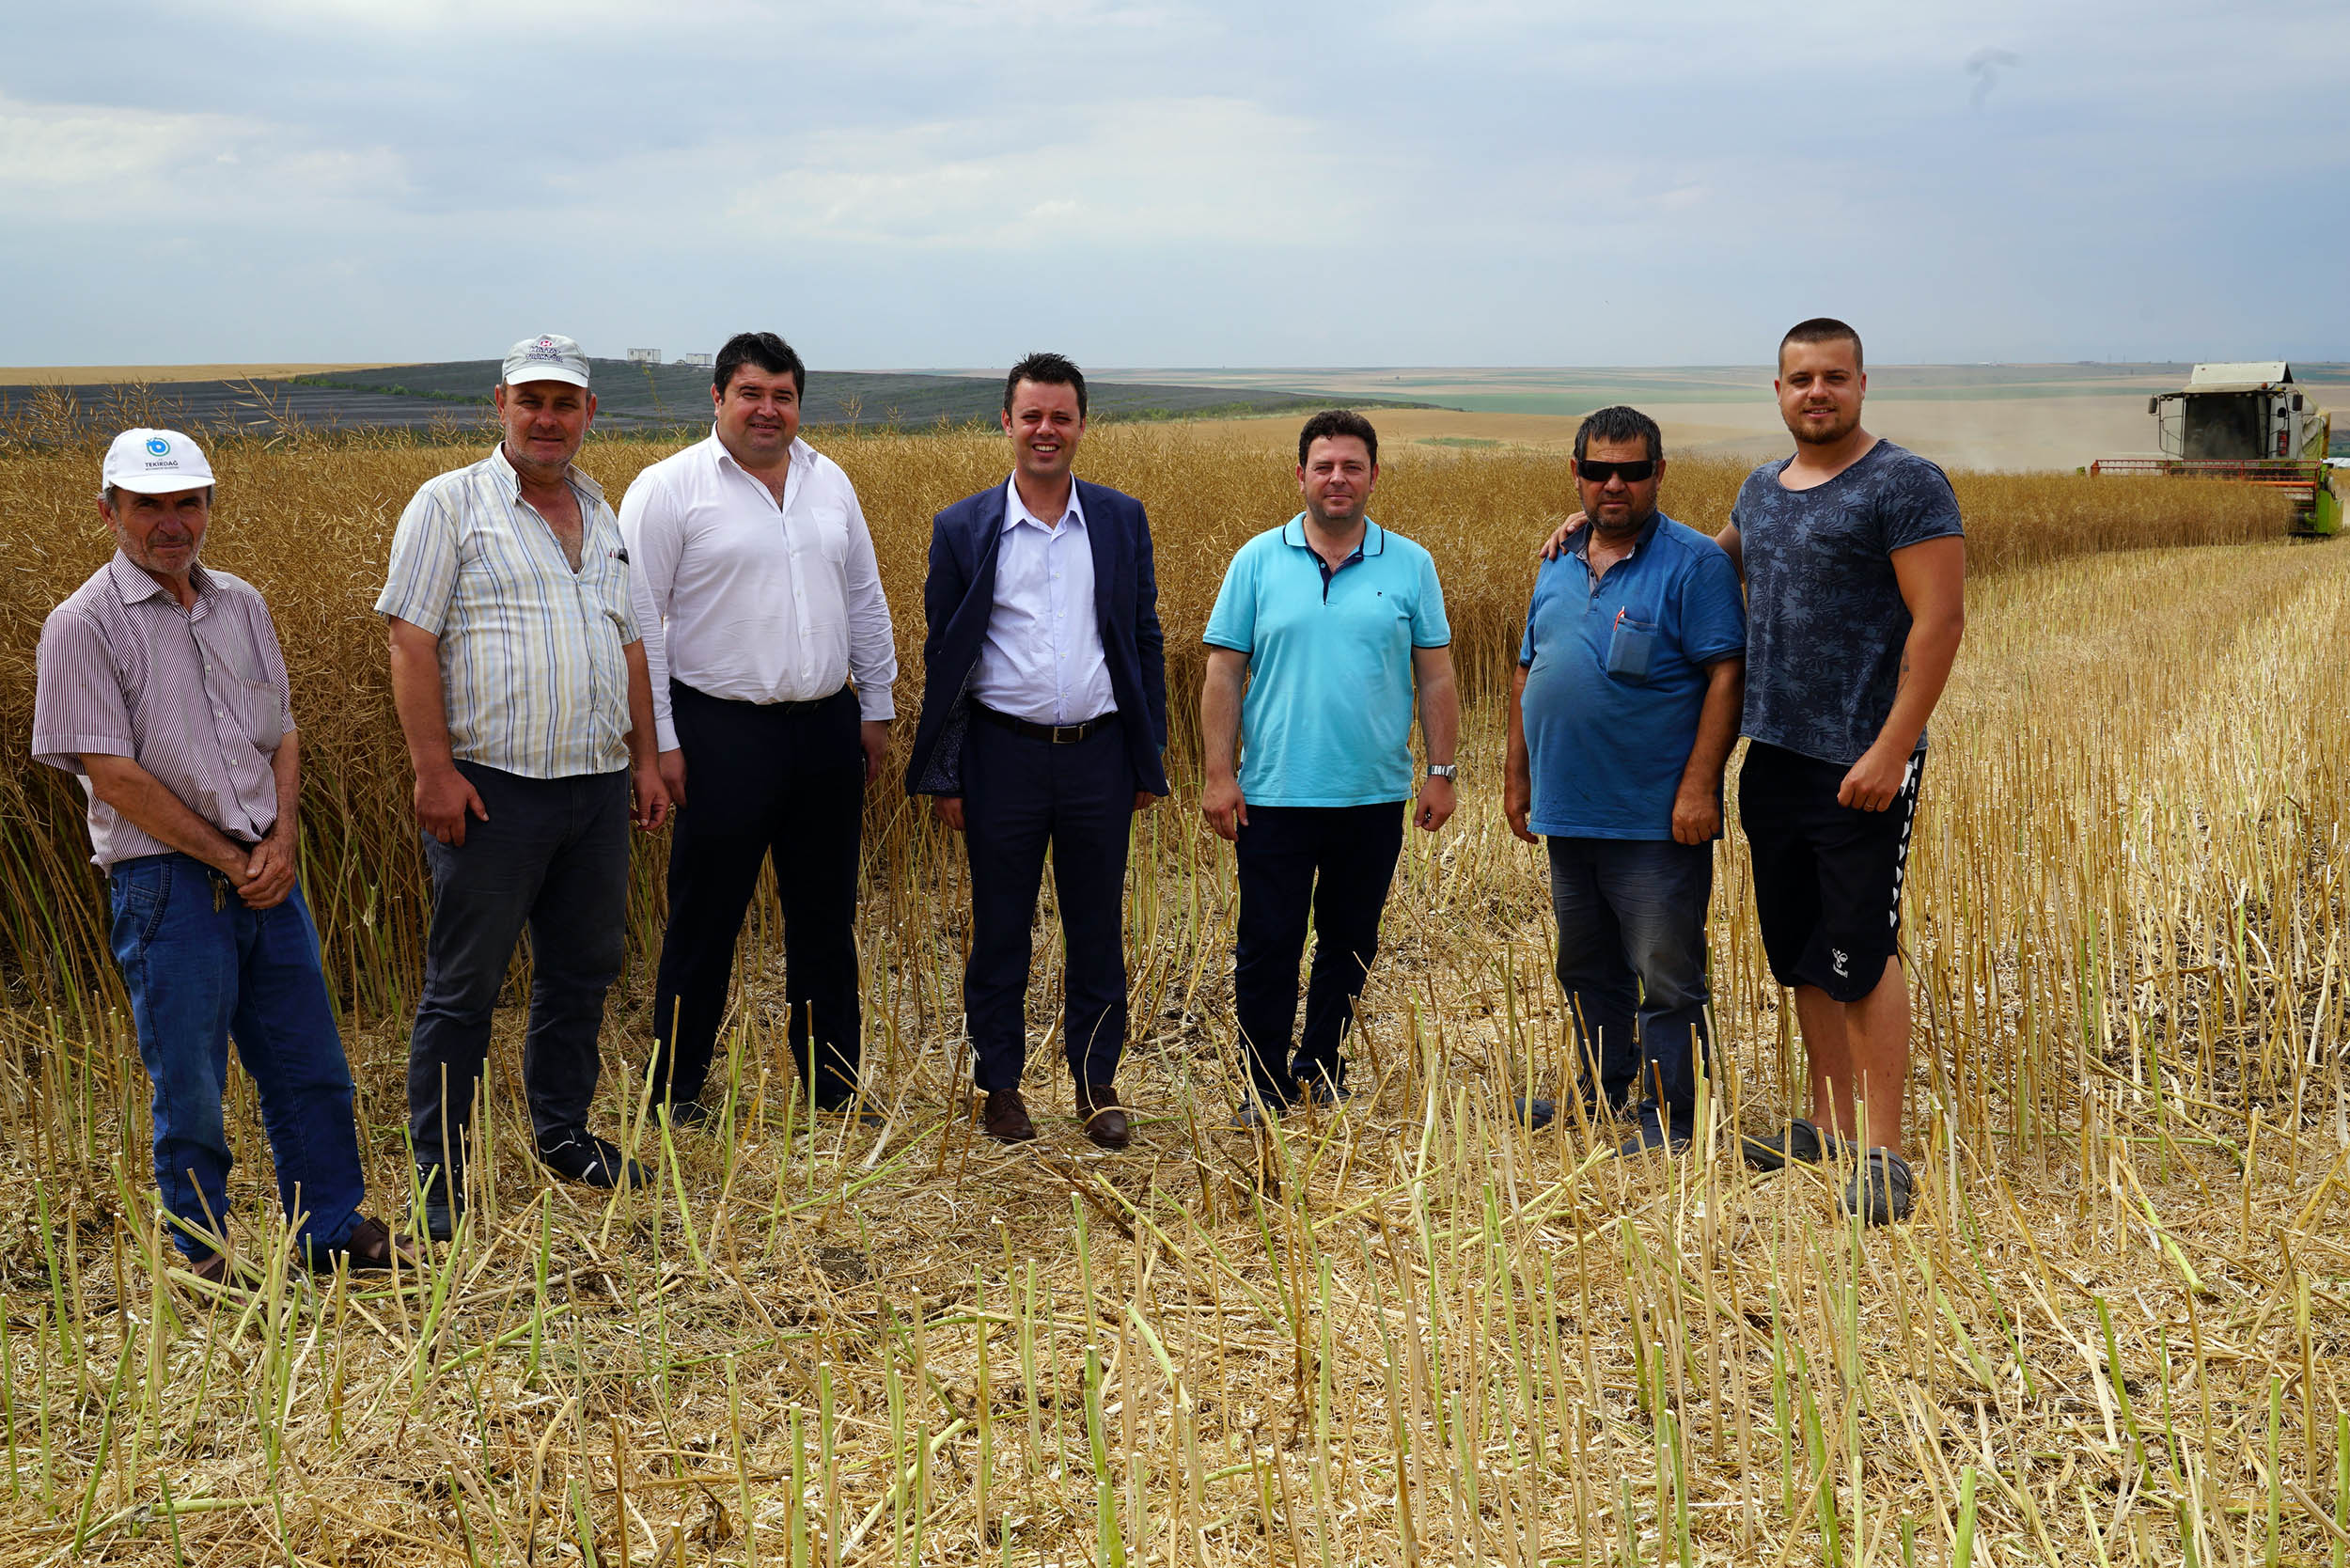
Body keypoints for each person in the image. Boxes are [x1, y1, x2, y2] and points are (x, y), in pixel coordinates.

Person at [1548, 321, 1966, 1221]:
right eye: (1800, 378)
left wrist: (1892, 748)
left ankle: (1884, 1150)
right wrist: (1599, 532)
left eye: (1834, 377)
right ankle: (1827, 1121)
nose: (1817, 392)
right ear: (1778, 391)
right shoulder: (1762, 490)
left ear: (1862, 384)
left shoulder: (1905, 483)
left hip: (1858, 760)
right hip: (1772, 756)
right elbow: (1701, 564)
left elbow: (1940, 622)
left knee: (1863, 947)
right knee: (1802, 952)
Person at [34, 429, 411, 1280]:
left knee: (311, 1065)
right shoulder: (82, 624)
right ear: (109, 513)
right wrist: (232, 860)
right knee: (192, 1080)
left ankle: (329, 1227)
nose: (171, 523)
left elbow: (282, 733)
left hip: (266, 870)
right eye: (148, 505)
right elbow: (113, 777)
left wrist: (282, 841)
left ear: (209, 507)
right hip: (164, 881)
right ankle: (201, 1250)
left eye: (188, 503)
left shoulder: (241, 603)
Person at [378, 335, 671, 1242]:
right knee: (464, 989)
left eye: (565, 403)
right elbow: (410, 641)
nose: (548, 419)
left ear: (589, 413)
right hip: (491, 793)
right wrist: (434, 772)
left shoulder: (602, 511)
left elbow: (630, 646)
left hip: (596, 788)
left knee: (582, 971)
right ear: (500, 403)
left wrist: (646, 761)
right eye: (532, 400)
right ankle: (442, 1177)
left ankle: (563, 1133)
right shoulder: (449, 504)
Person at [619, 332, 898, 1126]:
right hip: (718, 733)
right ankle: (676, 1093)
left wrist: (875, 704)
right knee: (706, 920)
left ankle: (833, 1087)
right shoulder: (668, 489)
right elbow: (637, 623)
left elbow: (864, 596)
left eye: (782, 396)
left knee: (825, 918)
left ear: (798, 403)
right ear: (718, 398)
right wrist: (659, 744)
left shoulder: (829, 480)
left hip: (826, 729)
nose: (767, 410)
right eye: (751, 393)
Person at [904, 353, 1167, 1148]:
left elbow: (1144, 639)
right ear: (1007, 423)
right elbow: (945, 657)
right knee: (1000, 930)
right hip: (1002, 758)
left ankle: (1096, 1084)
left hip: (1098, 755)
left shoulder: (1121, 520)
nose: (1046, 430)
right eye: (1032, 416)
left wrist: (1147, 755)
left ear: (1082, 425)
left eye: (1061, 416)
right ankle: (1001, 1088)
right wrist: (947, 772)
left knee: (1096, 928)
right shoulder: (962, 528)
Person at [1199, 410, 1459, 1121]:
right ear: (1301, 475)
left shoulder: (1411, 564)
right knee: (1268, 945)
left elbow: (1436, 675)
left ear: (1373, 476)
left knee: (1349, 943)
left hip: (1371, 796)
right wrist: (1219, 775)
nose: (1337, 478)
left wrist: (1441, 771)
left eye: (1352, 466)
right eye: (1324, 466)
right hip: (1274, 793)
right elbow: (1223, 673)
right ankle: (1262, 1084)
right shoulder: (1257, 560)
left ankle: (1320, 1069)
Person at [1503, 407, 1746, 1155]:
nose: (1615, 484)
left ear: (1658, 474)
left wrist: (1700, 787)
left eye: (1633, 471)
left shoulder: (1695, 563)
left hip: (1653, 817)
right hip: (1569, 810)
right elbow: (1528, 669)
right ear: (1575, 473)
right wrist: (1517, 773)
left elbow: (1727, 675)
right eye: (1599, 470)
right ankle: (1602, 1092)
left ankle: (1674, 1116)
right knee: (1586, 966)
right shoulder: (1557, 558)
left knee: (1666, 974)